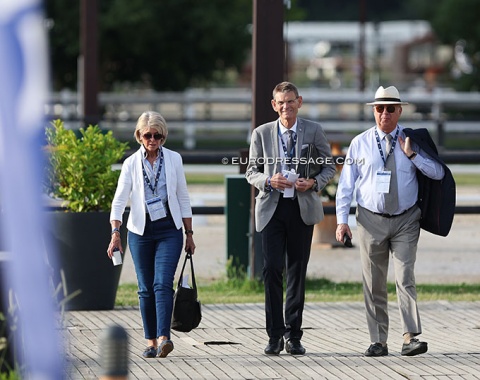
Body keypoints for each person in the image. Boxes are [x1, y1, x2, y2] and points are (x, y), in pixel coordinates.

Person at [335, 85, 445, 357]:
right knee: (374, 282)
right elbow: (345, 186)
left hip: (406, 219)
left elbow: (438, 173)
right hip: (370, 220)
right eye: (379, 108)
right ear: (374, 111)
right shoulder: (360, 143)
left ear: (400, 111)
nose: (384, 113)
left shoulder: (412, 139)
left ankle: (410, 337)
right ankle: (378, 340)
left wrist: (413, 155)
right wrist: (341, 221)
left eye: (390, 108)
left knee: (405, 277)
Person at [246, 81, 336, 355]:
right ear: (274, 106)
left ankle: (293, 335)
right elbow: (251, 171)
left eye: (290, 101)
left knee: (297, 271)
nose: (286, 106)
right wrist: (268, 180)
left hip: (301, 208)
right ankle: (274, 335)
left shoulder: (313, 130)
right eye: (281, 102)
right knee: (272, 269)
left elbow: (330, 165)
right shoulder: (261, 134)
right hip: (272, 209)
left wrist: (314, 182)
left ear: (299, 102)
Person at [107, 111, 196, 359]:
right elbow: (118, 202)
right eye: (148, 135)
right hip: (140, 231)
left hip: (170, 229)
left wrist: (189, 233)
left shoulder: (174, 159)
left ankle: (164, 337)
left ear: (163, 136)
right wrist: (115, 233)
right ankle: (151, 341)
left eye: (157, 135)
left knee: (162, 284)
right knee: (145, 287)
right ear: (139, 136)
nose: (152, 139)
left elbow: (183, 196)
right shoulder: (131, 164)